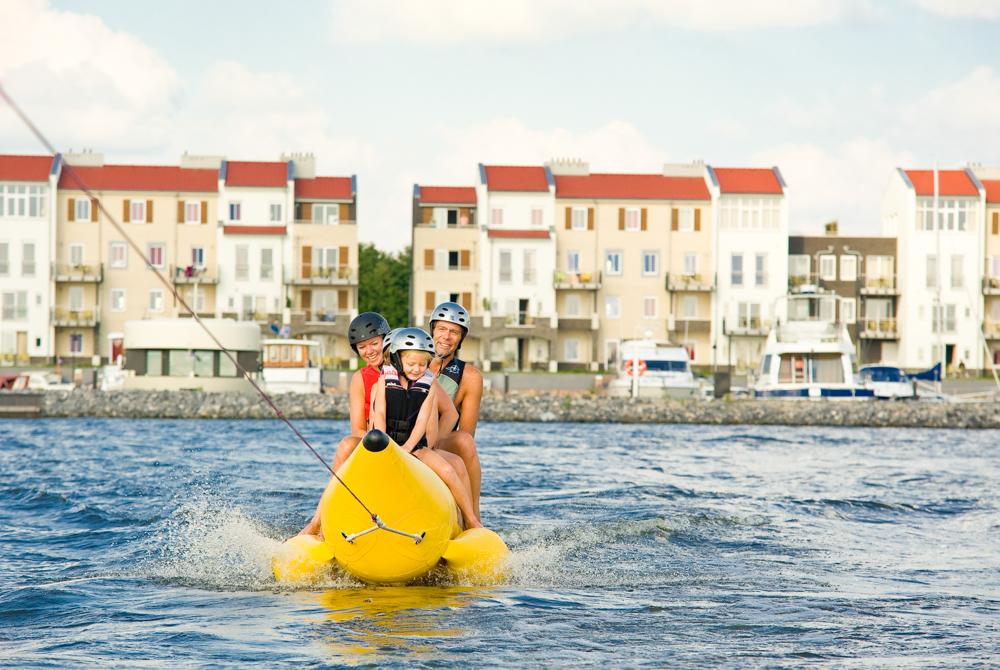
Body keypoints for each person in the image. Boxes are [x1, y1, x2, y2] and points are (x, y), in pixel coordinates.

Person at [372, 327, 482, 528]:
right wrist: (384, 445)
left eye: (423, 365)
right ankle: (317, 523)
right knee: (344, 471)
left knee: (448, 470)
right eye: (411, 364)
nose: (417, 369)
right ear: (398, 360)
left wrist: (407, 448)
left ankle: (471, 520)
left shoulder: (429, 385)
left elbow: (422, 421)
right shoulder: (383, 381)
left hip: (415, 447)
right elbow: (379, 413)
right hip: (386, 445)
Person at [297, 311, 390, 536]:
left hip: (405, 443)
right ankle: (319, 522)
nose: (369, 351)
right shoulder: (359, 378)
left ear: (386, 340)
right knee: (347, 444)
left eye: (374, 343)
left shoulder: (407, 368)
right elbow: (358, 428)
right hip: (373, 442)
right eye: (362, 347)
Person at [427, 302, 484, 519]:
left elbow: (466, 434)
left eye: (454, 332)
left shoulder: (470, 377)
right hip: (402, 439)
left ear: (461, 338)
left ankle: (474, 517)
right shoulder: (409, 361)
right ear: (432, 330)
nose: (446, 336)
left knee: (465, 441)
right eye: (442, 329)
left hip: (439, 440)